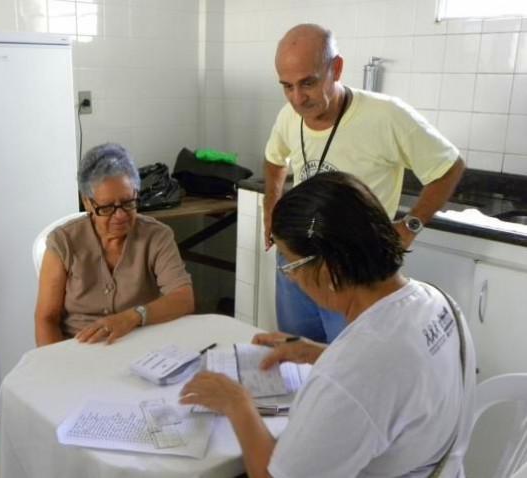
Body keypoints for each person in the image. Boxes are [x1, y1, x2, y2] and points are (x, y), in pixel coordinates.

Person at [181, 172, 476, 478]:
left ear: (328, 270)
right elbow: (396, 381)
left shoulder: (355, 371)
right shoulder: (437, 302)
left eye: (288, 264)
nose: (289, 277)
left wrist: (237, 404)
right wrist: (318, 352)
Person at [264, 24, 466, 343]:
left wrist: (411, 224)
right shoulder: (288, 116)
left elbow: (449, 166)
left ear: (337, 68)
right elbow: (275, 159)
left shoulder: (386, 116)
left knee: (352, 363)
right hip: (296, 262)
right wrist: (271, 207)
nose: (298, 98)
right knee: (296, 357)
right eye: (287, 86)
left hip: (352, 270)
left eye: (308, 83)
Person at [35, 143, 194, 346]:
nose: (120, 215)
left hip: (138, 345)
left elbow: (183, 298)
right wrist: (56, 368)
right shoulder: (63, 242)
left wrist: (134, 316)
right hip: (79, 349)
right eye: (108, 207)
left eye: (128, 203)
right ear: (88, 203)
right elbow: (46, 319)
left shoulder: (157, 236)